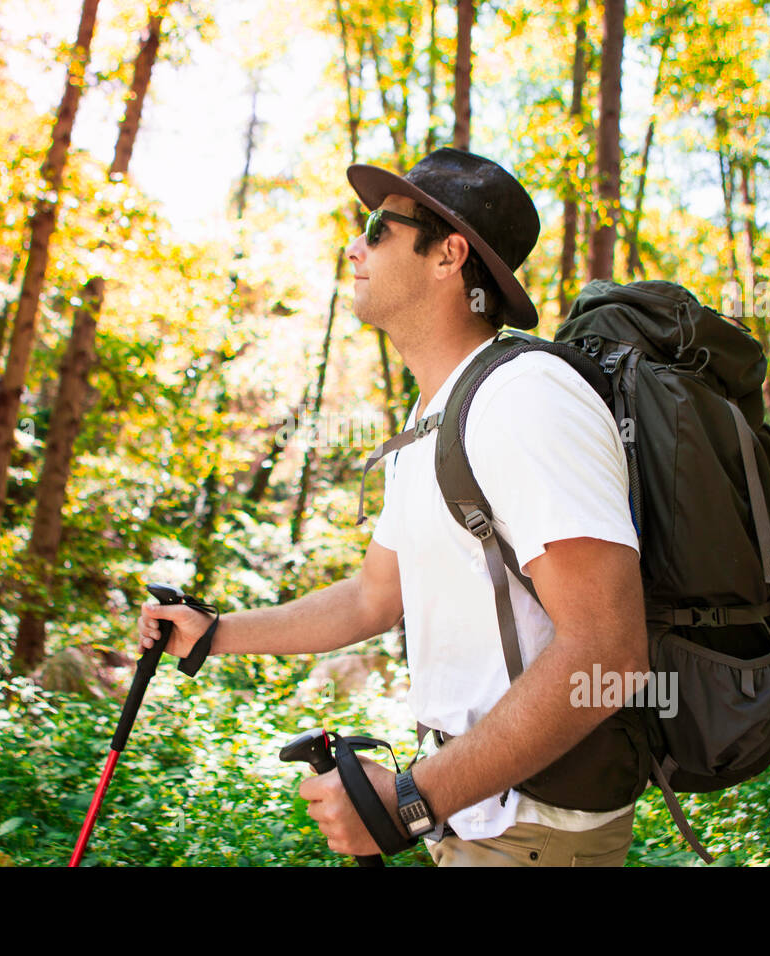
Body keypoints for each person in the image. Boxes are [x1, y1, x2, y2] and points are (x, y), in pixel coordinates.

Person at [137, 148, 647, 866]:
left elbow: (609, 652)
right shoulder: (432, 422)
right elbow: (372, 599)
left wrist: (409, 800)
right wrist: (214, 633)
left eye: (379, 227)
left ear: (449, 257)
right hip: (475, 819)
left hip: (535, 830)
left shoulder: (526, 397)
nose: (355, 245)